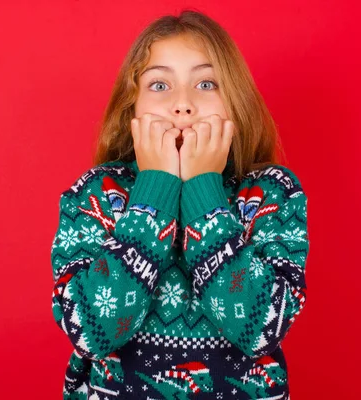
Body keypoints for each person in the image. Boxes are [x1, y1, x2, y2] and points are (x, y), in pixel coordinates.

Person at [50, 9, 310, 400]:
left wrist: (205, 192)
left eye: (206, 83)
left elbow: (260, 332)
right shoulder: (95, 195)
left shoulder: (271, 195)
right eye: (159, 85)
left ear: (234, 103)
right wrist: (155, 189)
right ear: (130, 108)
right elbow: (90, 331)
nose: (183, 104)